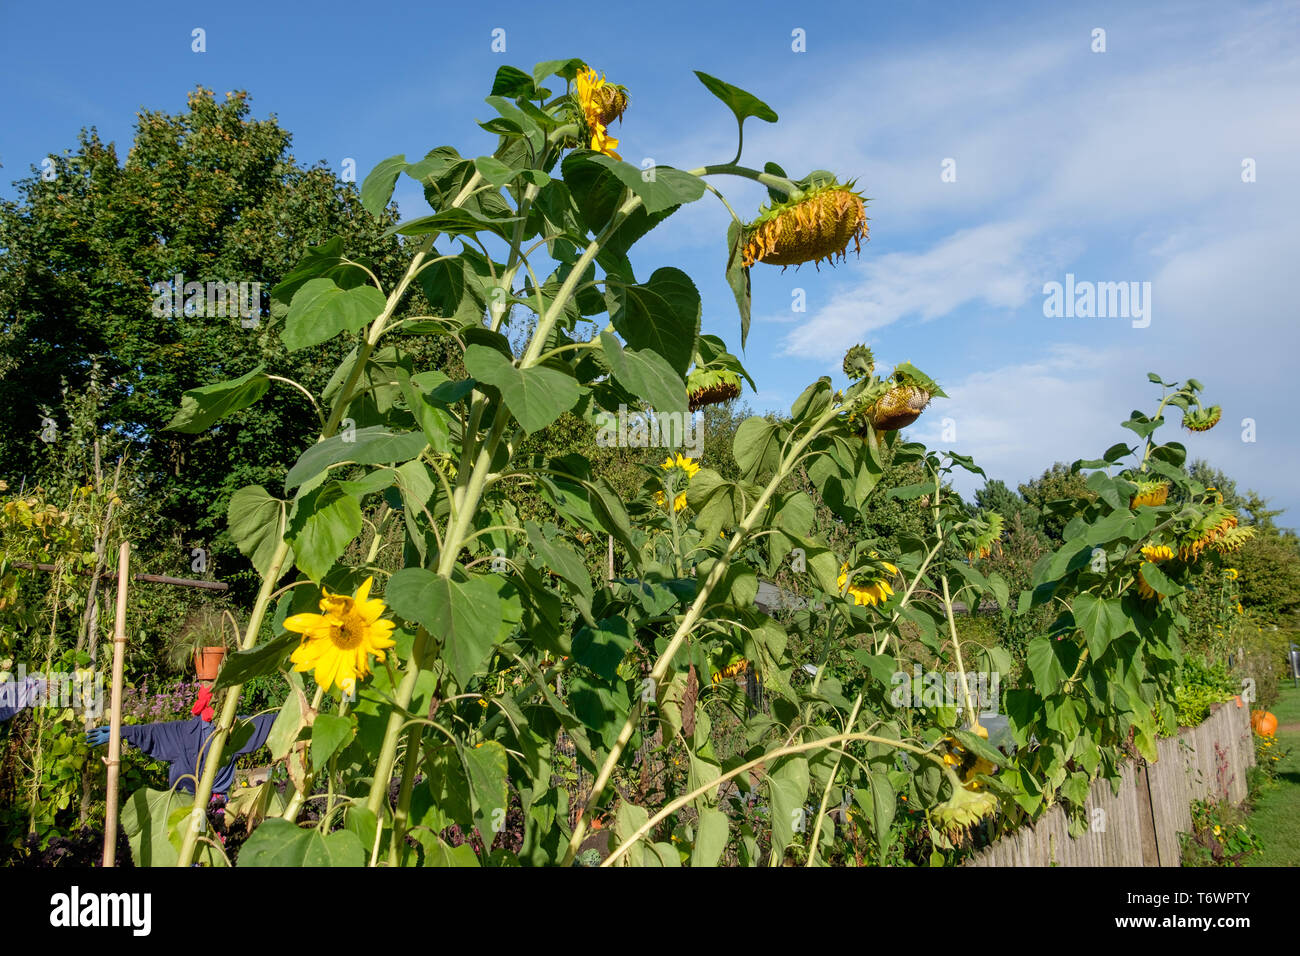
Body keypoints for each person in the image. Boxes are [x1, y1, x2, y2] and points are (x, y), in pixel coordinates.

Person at [85, 686, 276, 796]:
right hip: (185, 802)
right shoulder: (182, 733)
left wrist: (298, 712)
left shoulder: (235, 730)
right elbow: (150, 732)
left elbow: (269, 722)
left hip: (217, 804)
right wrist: (121, 731)